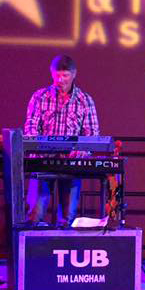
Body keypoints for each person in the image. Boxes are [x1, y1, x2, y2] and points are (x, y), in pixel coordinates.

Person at [24, 54, 100, 225]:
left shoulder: (84, 100)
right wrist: (37, 147)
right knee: (34, 214)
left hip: (71, 164)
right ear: (52, 74)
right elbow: (30, 127)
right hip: (42, 161)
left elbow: (92, 133)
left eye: (65, 75)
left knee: (67, 218)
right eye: (57, 75)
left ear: (74, 74)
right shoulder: (40, 97)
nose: (60, 79)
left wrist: (80, 150)